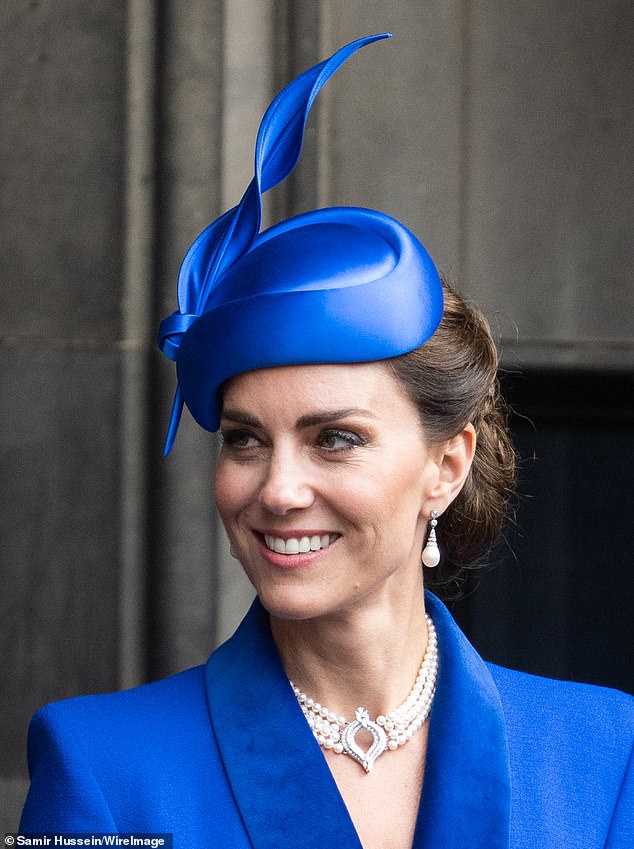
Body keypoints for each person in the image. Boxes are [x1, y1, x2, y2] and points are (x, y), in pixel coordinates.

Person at [20, 34, 632, 849]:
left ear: (446, 465)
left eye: (334, 438)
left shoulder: (603, 754)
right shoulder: (105, 765)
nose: (276, 488)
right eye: (245, 440)